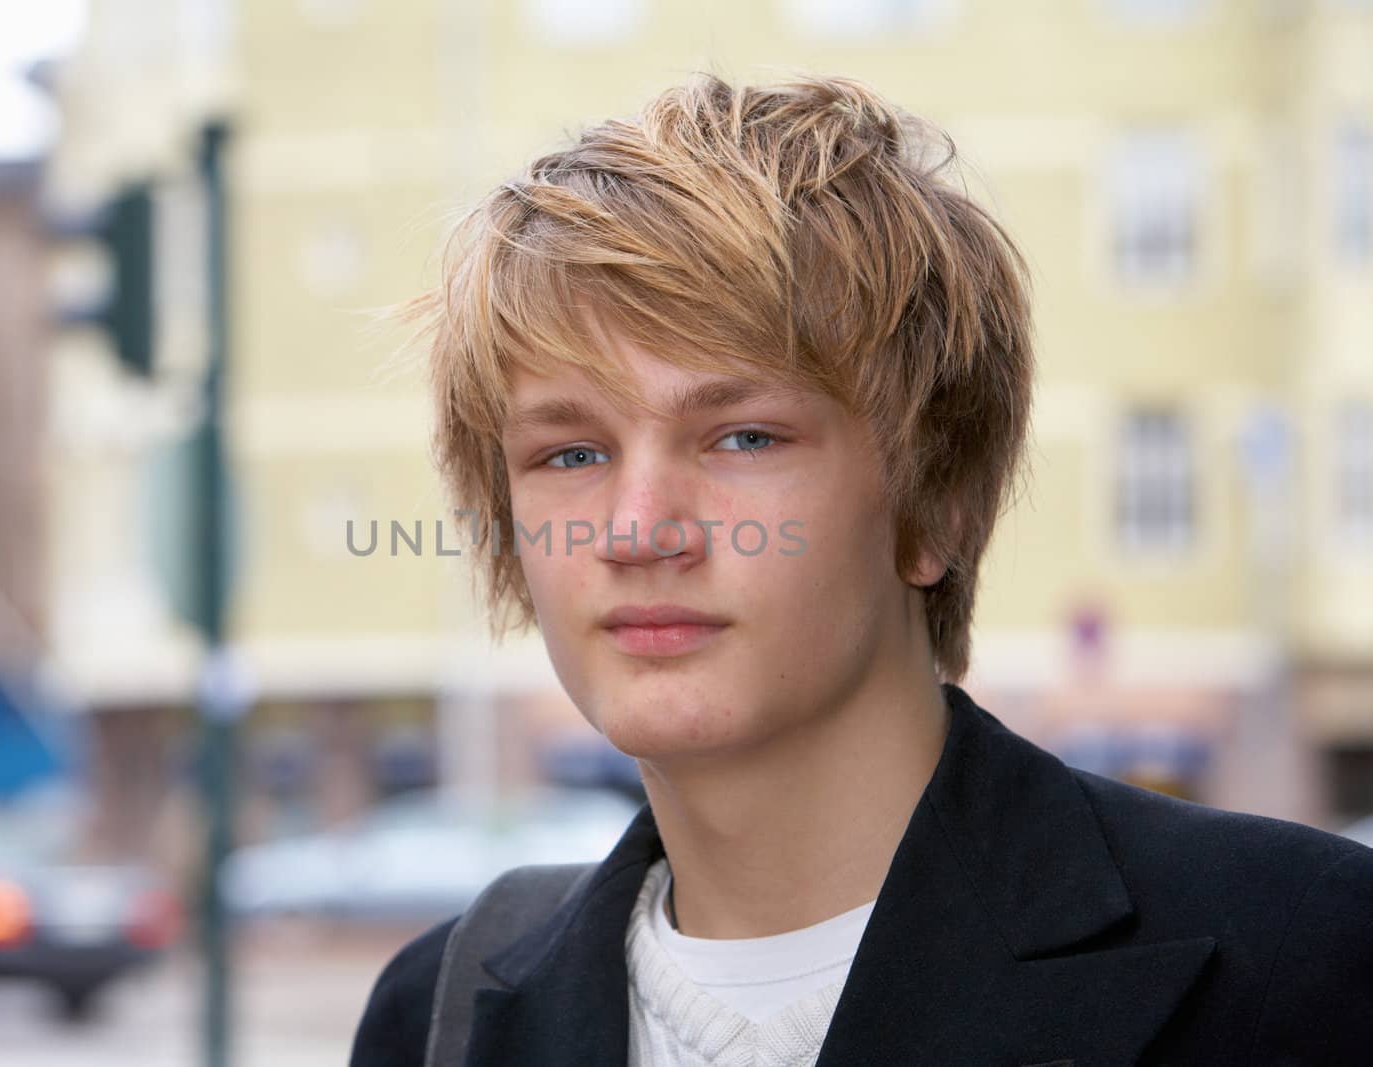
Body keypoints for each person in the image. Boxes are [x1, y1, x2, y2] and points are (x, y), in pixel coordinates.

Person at [349, 72, 1373, 1065]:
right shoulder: (436, 1012)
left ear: (938, 499)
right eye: (568, 454)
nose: (636, 527)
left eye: (743, 437)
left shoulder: (1305, 961)